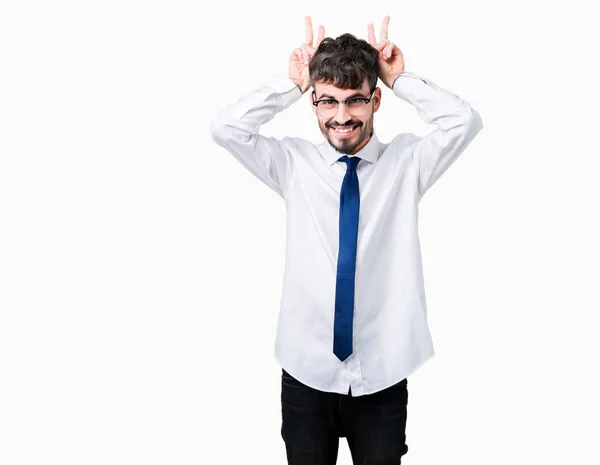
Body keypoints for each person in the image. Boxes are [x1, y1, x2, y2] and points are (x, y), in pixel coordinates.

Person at [210, 15, 483, 465]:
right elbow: (226, 129)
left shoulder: (408, 163)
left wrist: (400, 79)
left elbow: (464, 121)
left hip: (382, 373)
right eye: (328, 101)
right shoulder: (292, 164)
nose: (342, 116)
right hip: (306, 372)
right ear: (314, 104)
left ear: (375, 101)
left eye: (355, 100)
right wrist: (293, 84)